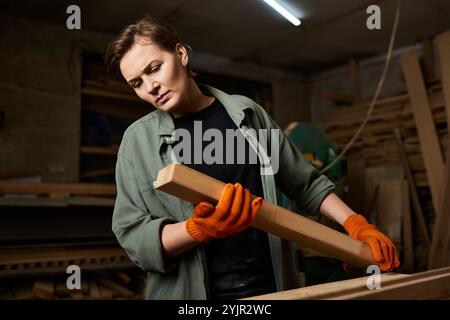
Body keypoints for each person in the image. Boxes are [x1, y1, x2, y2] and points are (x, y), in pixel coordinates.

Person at [106, 16, 400, 300]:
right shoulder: (136, 143)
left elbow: (303, 182)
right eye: (137, 83)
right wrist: (198, 230)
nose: (150, 87)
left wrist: (354, 223)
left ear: (181, 54)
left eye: (154, 68)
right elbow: (133, 236)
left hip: (269, 286)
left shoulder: (247, 114)